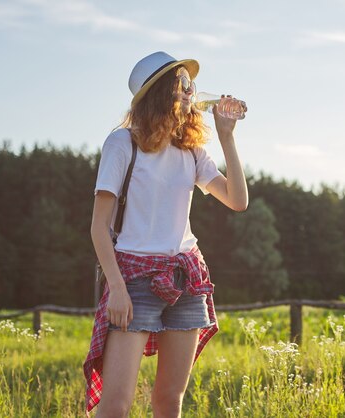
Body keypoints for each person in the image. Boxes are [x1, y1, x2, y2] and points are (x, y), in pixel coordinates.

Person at [83, 51, 248, 418]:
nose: (192, 91)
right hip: (134, 277)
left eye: (192, 84)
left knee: (169, 400)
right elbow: (99, 227)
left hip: (187, 276)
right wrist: (118, 289)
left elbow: (237, 201)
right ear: (159, 93)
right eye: (182, 84)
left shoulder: (192, 150)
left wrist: (227, 138)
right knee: (116, 405)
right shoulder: (122, 144)